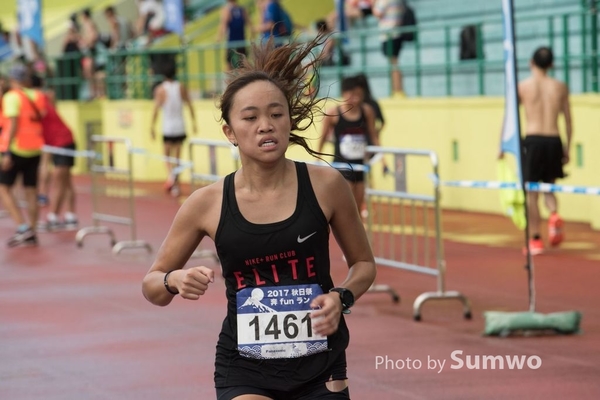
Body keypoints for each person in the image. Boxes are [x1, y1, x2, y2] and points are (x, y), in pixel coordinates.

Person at [142, 34, 377, 399]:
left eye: (276, 114)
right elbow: (152, 286)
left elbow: (363, 264)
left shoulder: (326, 185)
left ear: (288, 121)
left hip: (322, 364)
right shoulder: (206, 203)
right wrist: (175, 279)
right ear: (230, 132)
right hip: (244, 367)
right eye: (250, 117)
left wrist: (342, 297)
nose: (265, 125)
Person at [517, 46, 572, 255]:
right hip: (553, 139)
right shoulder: (560, 86)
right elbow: (568, 119)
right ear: (551, 65)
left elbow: (510, 117)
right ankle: (554, 213)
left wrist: (501, 146)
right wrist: (567, 147)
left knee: (532, 192)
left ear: (531, 62)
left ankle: (535, 239)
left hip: (533, 140)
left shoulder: (523, 86)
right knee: (550, 186)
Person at [0, 63, 47, 247]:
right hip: (35, 147)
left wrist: (7, 151)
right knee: (31, 190)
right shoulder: (37, 95)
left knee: (4, 187)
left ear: (12, 79)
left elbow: (12, 125)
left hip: (17, 147)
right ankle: (32, 231)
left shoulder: (12, 97)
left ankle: (22, 227)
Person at [318, 76, 380, 213]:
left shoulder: (367, 111)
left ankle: (356, 233)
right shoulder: (333, 113)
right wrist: (318, 157)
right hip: (342, 165)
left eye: (359, 95)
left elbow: (373, 134)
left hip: (360, 164)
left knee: (358, 205)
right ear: (344, 94)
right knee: (347, 204)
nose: (356, 99)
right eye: (352, 95)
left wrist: (382, 159)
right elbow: (322, 137)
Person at [32, 75, 79, 231]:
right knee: (66, 180)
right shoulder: (41, 98)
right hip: (57, 142)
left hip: (63, 141)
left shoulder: (39, 99)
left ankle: (53, 216)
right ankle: (71, 215)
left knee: (60, 179)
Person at [150, 64, 197, 197]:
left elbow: (156, 110)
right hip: (180, 126)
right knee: (177, 158)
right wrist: (194, 122)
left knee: (166, 156)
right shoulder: (180, 87)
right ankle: (175, 184)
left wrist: (152, 127)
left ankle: (171, 178)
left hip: (168, 127)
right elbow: (190, 104)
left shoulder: (160, 89)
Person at [373, 0, 404, 95]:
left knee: (393, 64)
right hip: (397, 33)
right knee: (394, 63)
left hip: (389, 34)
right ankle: (397, 90)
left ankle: (397, 90)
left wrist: (373, 3)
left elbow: (377, 12)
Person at [217, 0, 253, 70]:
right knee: (242, 64)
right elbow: (250, 25)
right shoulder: (242, 9)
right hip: (240, 41)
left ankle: (232, 80)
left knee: (230, 65)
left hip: (233, 42)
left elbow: (223, 25)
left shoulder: (227, 10)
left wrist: (219, 38)